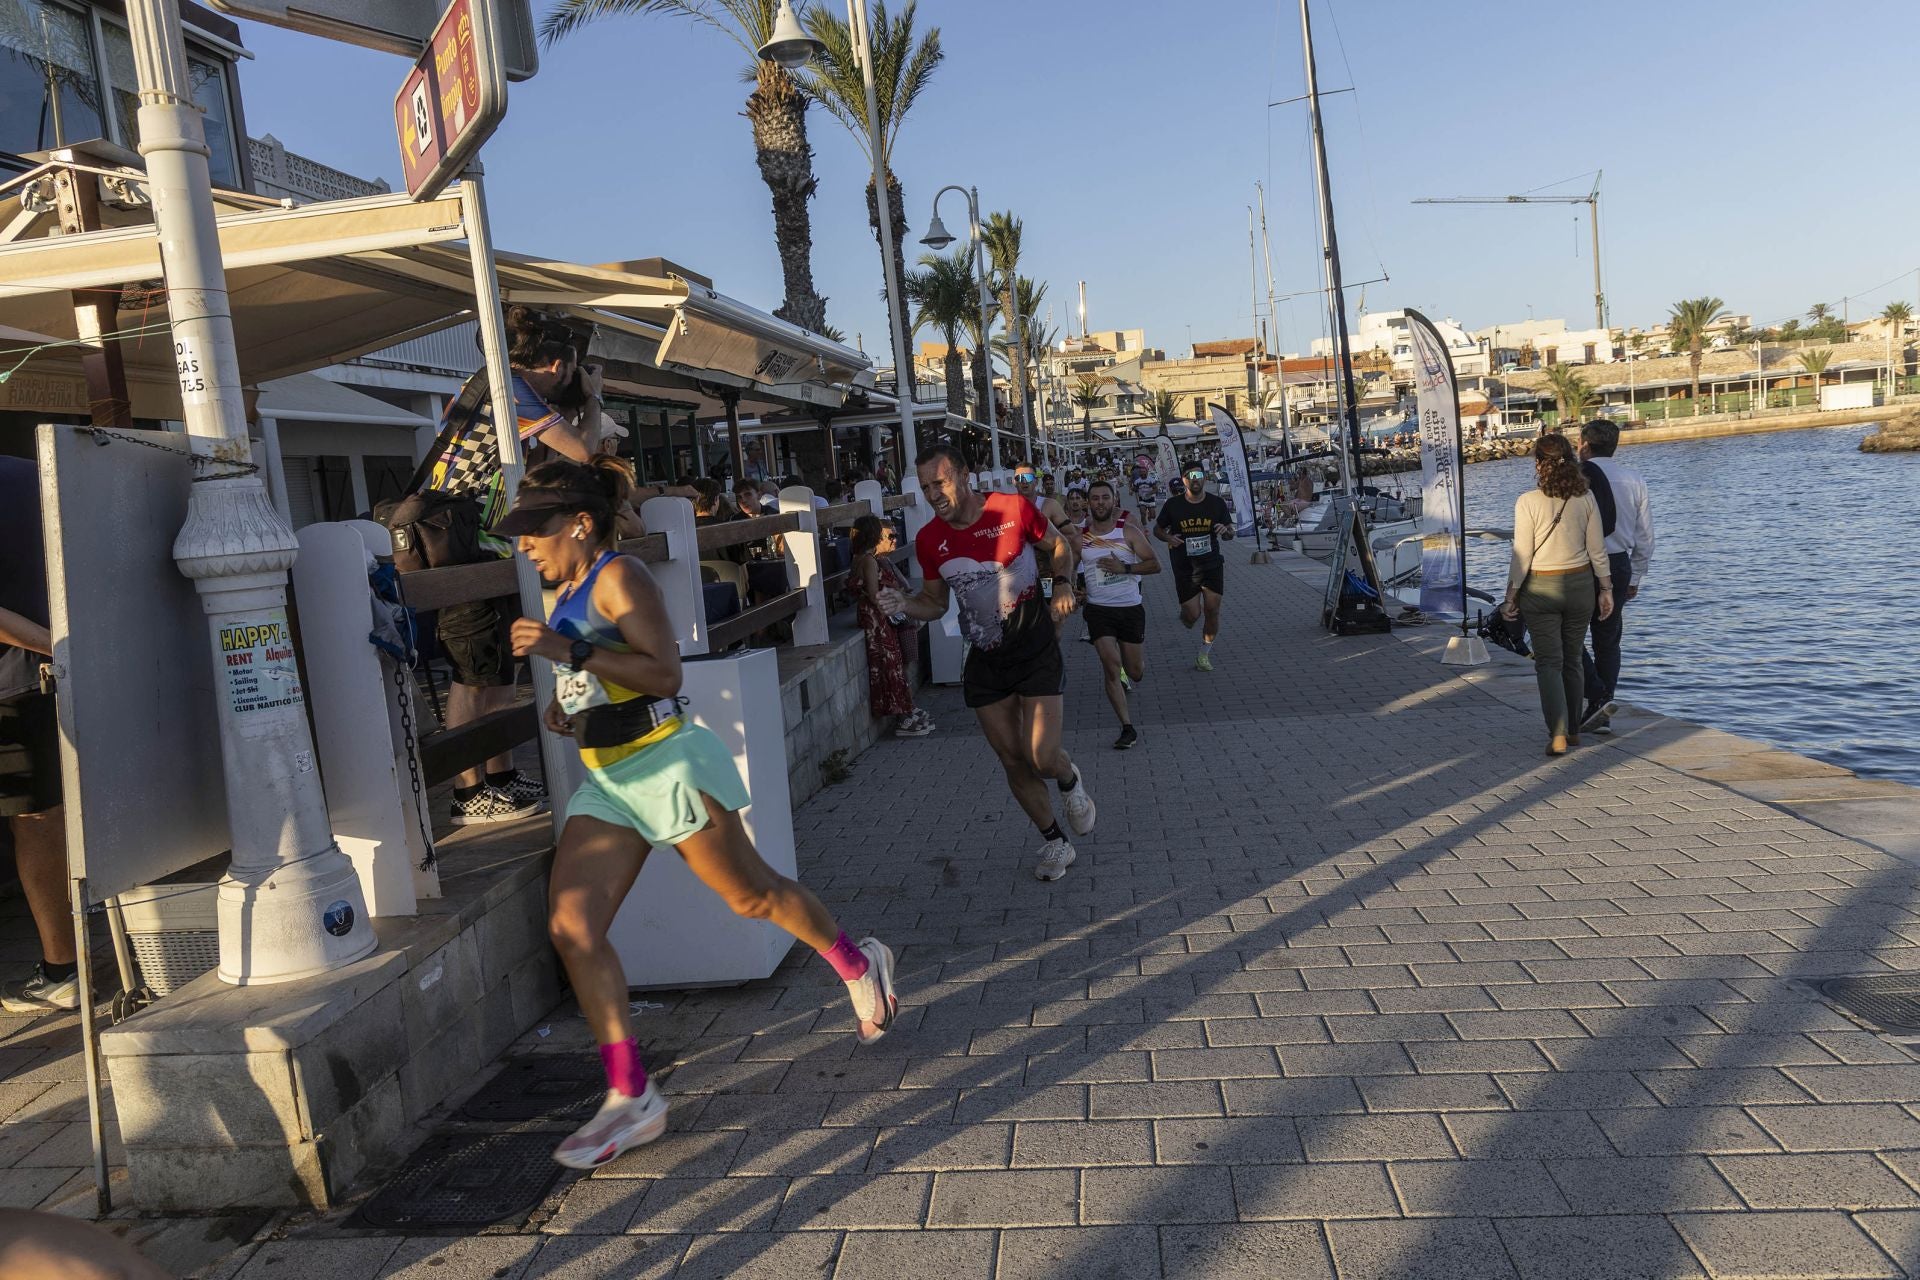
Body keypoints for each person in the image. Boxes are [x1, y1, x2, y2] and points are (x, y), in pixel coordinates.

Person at [497, 456, 899, 1168]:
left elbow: (664, 672)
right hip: (606, 780)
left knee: (753, 897)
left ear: (581, 524)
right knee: (572, 928)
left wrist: (569, 649)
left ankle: (855, 960)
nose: (524, 546)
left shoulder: (621, 576)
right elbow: (604, 673)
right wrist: (572, 703)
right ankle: (631, 1096)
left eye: (536, 531)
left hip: (665, 765)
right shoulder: (569, 587)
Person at [878, 445, 1095, 881]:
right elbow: (935, 605)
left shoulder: (1013, 509)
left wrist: (1063, 583)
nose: (933, 494)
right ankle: (1055, 841)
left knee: (1040, 756)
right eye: (924, 488)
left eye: (938, 482)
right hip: (986, 660)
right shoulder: (929, 540)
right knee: (1012, 760)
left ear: (965, 476)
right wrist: (902, 603)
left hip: (1035, 650)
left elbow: (1059, 548)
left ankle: (1068, 777)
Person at [418, 308, 600, 826]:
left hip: (485, 546)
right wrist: (591, 398)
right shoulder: (507, 392)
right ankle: (467, 792)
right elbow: (583, 451)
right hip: (461, 551)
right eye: (572, 368)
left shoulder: (506, 391)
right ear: (557, 365)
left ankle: (497, 778)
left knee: (497, 669)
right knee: (472, 675)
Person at [0, 457, 75, 1015]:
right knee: (54, 815)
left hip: (15, 677)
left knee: (38, 820)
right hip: (54, 675)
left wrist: (54, 645)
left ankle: (62, 969)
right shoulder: (40, 471)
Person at [1500, 434, 1614, 756]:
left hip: (1541, 588)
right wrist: (1606, 590)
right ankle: (1575, 730)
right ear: (1572, 461)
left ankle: (1559, 734)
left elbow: (1522, 554)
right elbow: (1597, 551)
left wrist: (1511, 597)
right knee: (1574, 658)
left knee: (1549, 662)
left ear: (1538, 464)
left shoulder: (1527, 502)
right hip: (1580, 587)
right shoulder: (1586, 498)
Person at [1576, 420, 1654, 735]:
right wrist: (1636, 575)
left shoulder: (1577, 477)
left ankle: (1597, 695)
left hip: (1580, 564)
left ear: (1583, 443)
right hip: (1619, 564)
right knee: (1608, 640)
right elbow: (1645, 535)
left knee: (1567, 635)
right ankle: (1602, 709)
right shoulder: (1634, 480)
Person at [1078, 480, 1160, 749]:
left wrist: (1124, 569)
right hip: (1098, 609)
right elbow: (1067, 567)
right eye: (1095, 498)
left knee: (1135, 672)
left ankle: (1132, 669)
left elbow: (1154, 564)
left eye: (1105, 497)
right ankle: (1127, 727)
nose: (1100, 502)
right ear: (1088, 503)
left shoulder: (1129, 532)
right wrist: (1069, 589)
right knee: (1111, 666)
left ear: (1114, 501)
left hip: (1129, 608)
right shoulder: (1081, 537)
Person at [850, 515, 934, 739]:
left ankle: (904, 711)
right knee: (890, 664)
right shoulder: (868, 560)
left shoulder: (858, 558)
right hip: (876, 618)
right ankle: (901, 716)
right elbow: (874, 591)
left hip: (870, 615)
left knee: (890, 664)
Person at [1154, 464, 1234, 671]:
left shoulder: (1217, 504)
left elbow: (1230, 533)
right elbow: (1157, 529)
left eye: (1199, 475)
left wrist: (1225, 530)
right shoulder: (1173, 505)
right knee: (1192, 614)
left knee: (1212, 610)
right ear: (1184, 480)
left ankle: (1204, 654)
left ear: (1205, 478)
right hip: (1185, 567)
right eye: (1190, 476)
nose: (1195, 479)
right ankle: (1186, 616)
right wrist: (1168, 537)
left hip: (1212, 564)